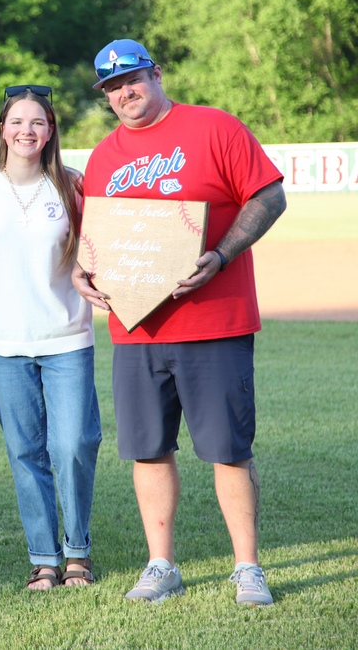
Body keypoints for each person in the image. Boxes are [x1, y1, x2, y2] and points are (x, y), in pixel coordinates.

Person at [73, 39, 287, 606]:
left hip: (214, 321)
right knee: (148, 449)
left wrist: (221, 255)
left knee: (228, 449)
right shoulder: (104, 155)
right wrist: (83, 271)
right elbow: (98, 238)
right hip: (136, 328)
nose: (125, 92)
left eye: (133, 79)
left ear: (157, 74)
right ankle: (161, 564)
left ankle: (247, 567)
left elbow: (268, 196)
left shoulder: (214, 128)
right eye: (113, 87)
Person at [0, 85, 102, 590]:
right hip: (5, 344)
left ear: (51, 131)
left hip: (67, 338)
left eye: (38, 122)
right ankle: (44, 559)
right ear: (1, 129)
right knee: (25, 452)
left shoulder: (70, 185)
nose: (27, 130)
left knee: (72, 445)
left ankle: (78, 553)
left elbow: (99, 252)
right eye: (17, 121)